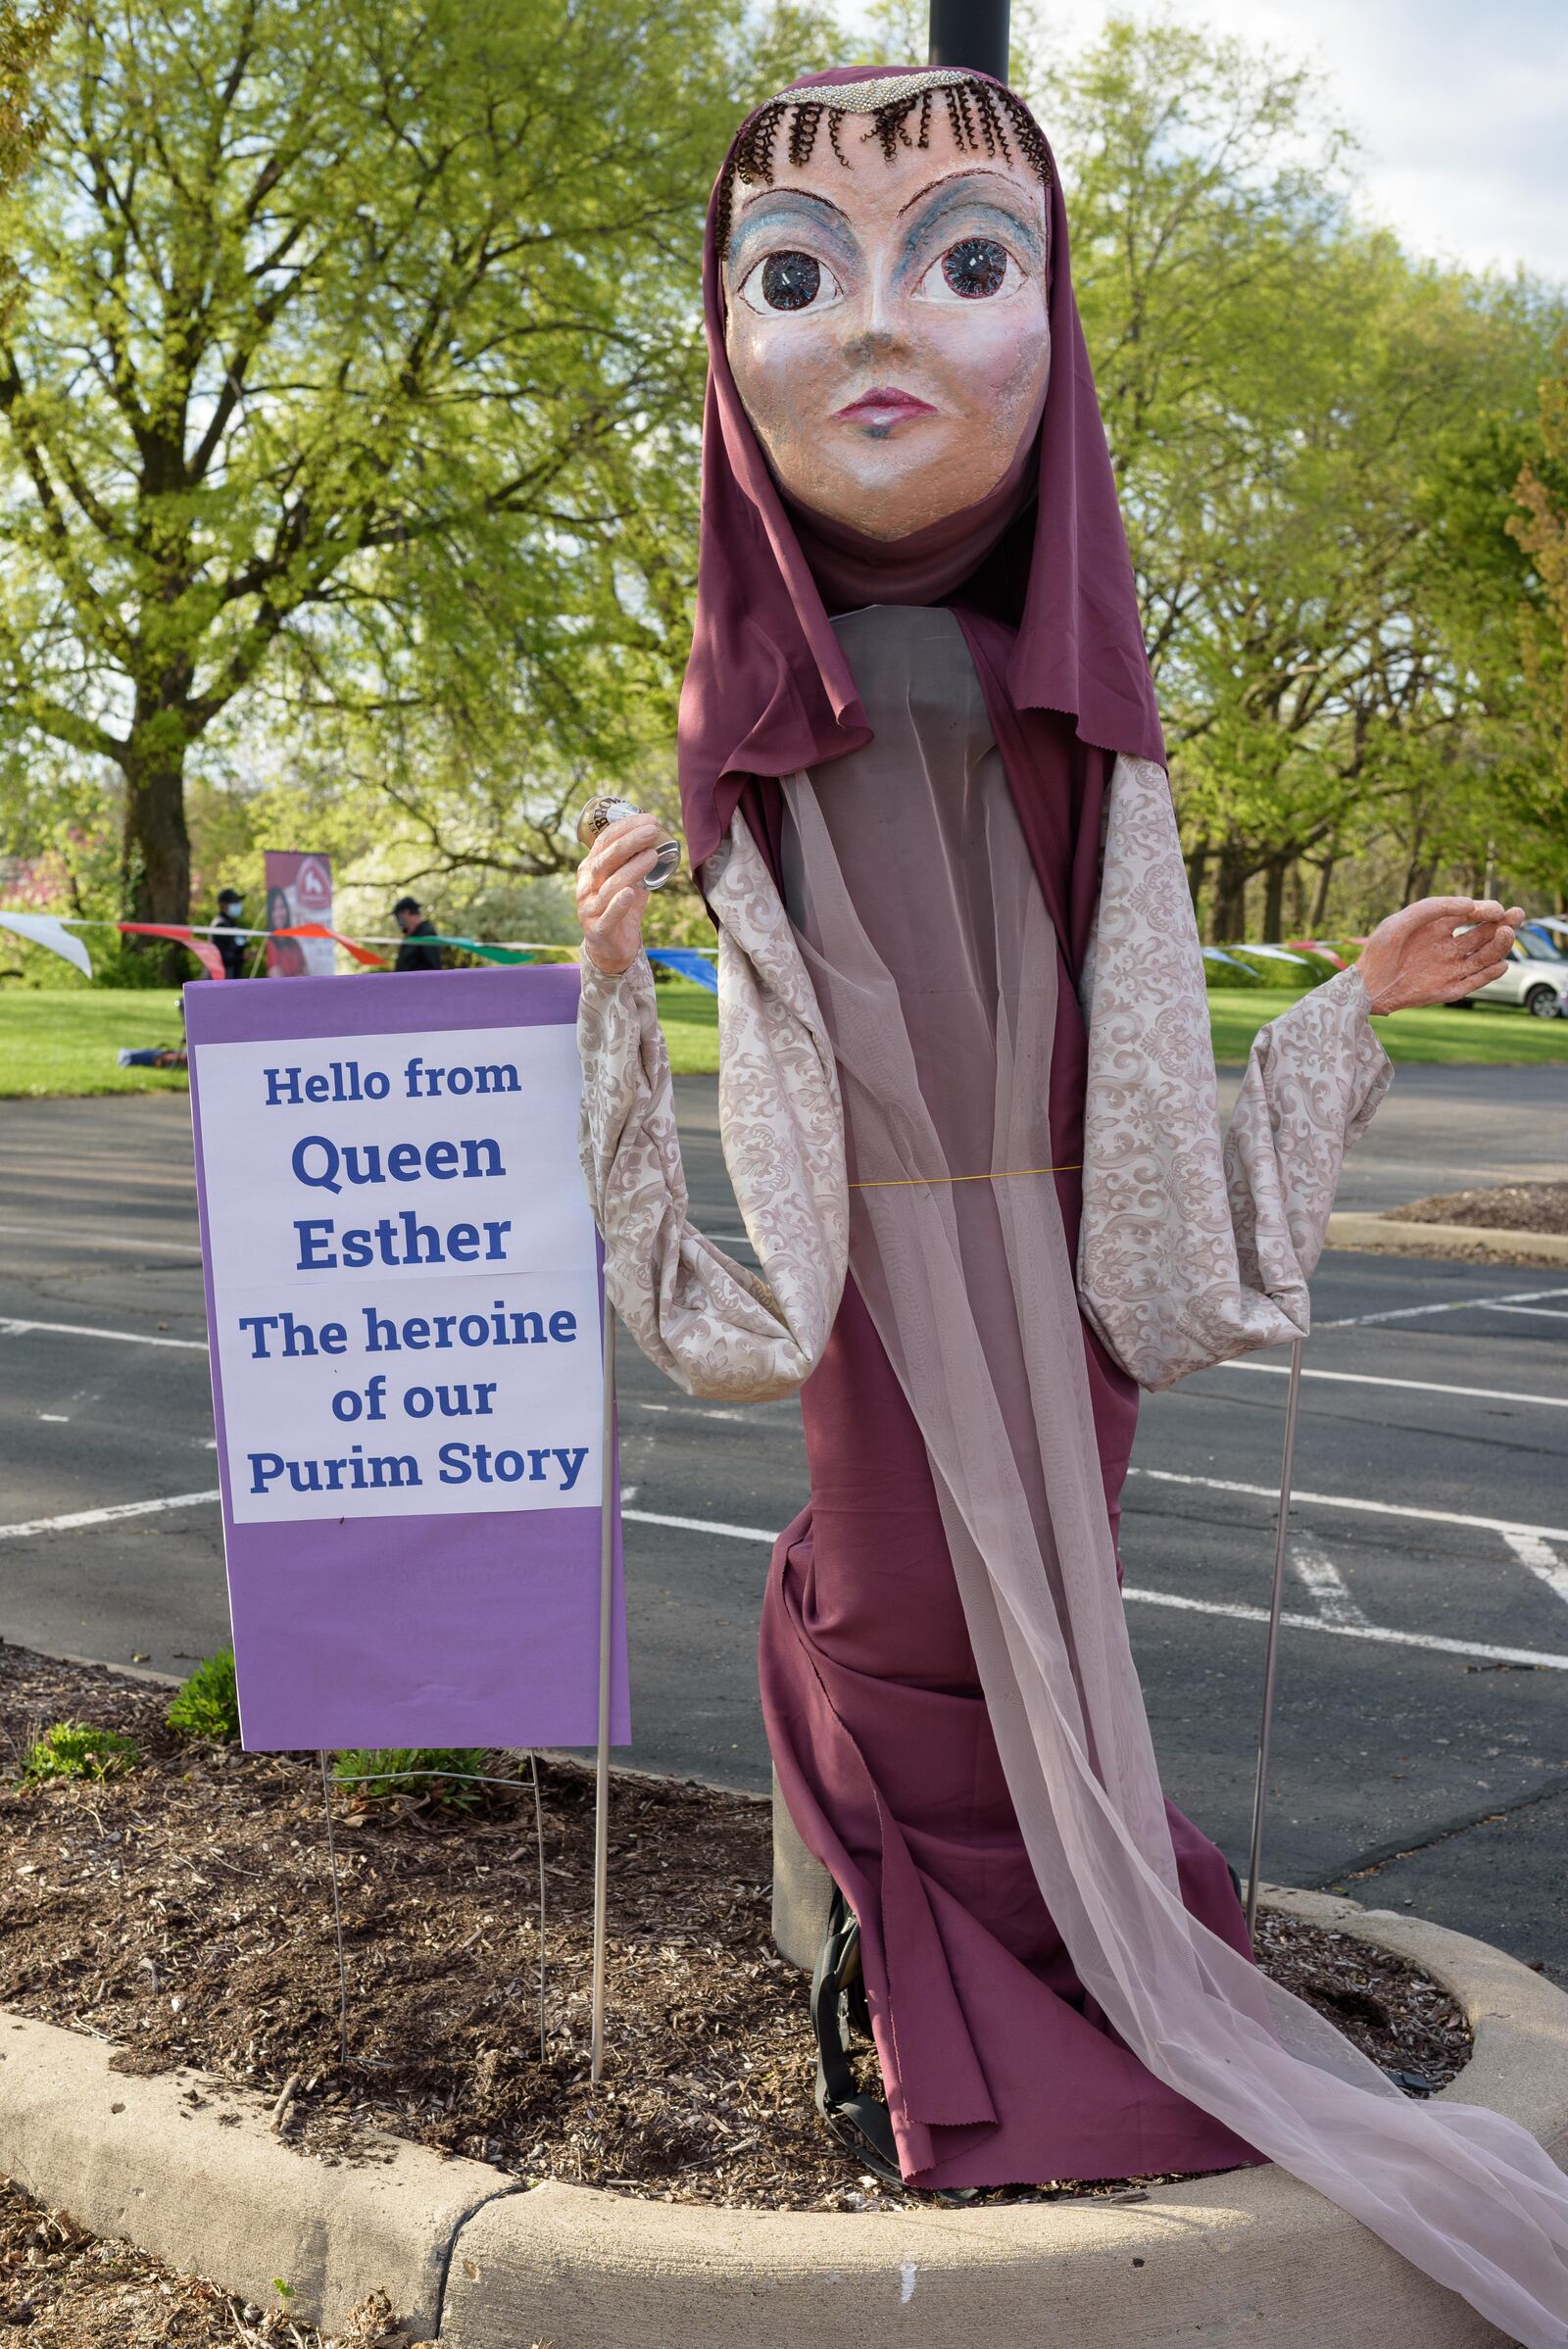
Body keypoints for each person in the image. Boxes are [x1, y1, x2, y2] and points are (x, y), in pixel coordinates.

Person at [572, 62, 1565, 2346]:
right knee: (896, 1641)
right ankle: (937, 2014)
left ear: (1056, 319)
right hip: (872, 1300)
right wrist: (614, 972)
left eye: (967, 259)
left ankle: (1049, 2009)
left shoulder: (1087, 744)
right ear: (724, 342)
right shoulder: (752, 736)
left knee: (1052, 1643)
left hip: (1044, 1271)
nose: (873, 331)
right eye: (796, 273)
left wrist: (1343, 1003)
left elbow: (1133, 1072)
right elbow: (748, 1096)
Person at [392, 896, 445, 973]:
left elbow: (434, 969)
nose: (398, 921)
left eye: (398, 916)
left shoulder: (427, 934)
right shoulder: (410, 936)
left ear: (406, 912)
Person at [211, 887, 248, 981]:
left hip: (233, 977)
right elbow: (221, 955)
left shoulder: (231, 924)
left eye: (238, 902)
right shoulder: (219, 924)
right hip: (223, 978)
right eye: (234, 902)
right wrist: (242, 957)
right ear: (223, 905)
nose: (239, 905)